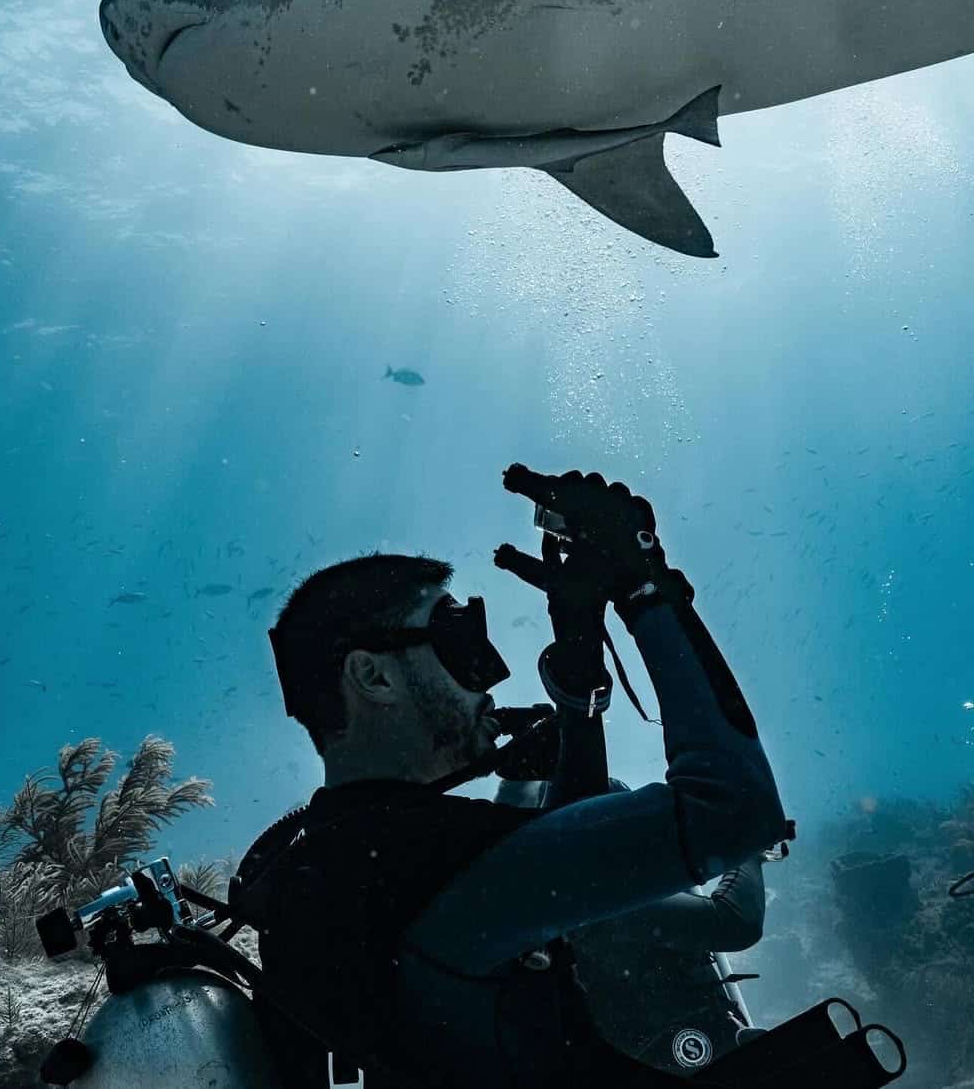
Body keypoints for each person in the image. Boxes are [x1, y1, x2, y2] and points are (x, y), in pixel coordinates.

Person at [232, 466, 790, 1089]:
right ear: (373, 677)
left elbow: (566, 902)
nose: (489, 673)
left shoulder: (335, 864)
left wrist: (578, 700)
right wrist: (644, 585)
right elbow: (734, 808)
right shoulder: (418, 860)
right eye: (456, 636)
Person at [496, 774, 780, 1075]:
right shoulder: (597, 905)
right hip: (677, 1052)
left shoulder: (563, 902)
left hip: (673, 1049)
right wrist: (751, 850)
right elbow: (733, 923)